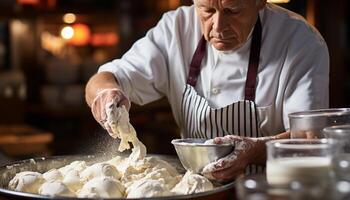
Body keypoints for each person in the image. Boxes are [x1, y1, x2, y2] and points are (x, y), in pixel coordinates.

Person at [85, 0, 329, 182]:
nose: (218, 26)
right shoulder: (176, 29)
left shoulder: (299, 41)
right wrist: (105, 94)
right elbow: (105, 79)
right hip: (195, 191)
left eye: (233, 10)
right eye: (207, 11)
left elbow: (310, 138)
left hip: (269, 191)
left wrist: (254, 151)